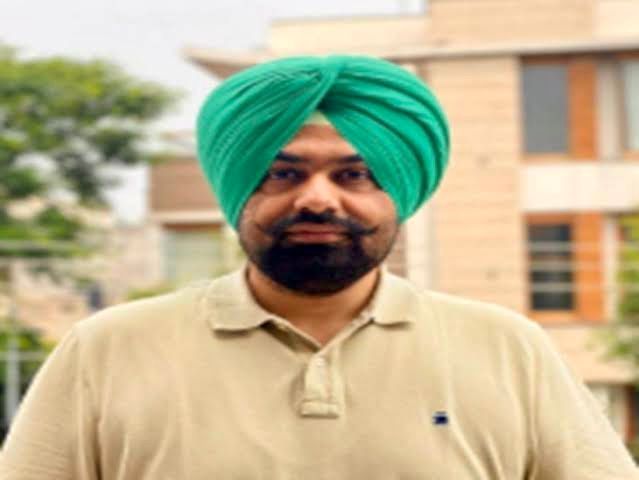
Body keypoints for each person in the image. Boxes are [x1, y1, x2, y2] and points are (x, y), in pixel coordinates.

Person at [0, 55, 637, 479]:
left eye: (354, 175)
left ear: (398, 193)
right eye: (283, 173)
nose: (317, 199)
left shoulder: (506, 348)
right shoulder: (108, 350)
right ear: (238, 190)